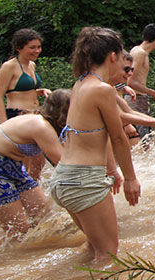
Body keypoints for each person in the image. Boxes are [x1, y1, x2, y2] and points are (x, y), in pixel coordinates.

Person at [50, 27, 141, 262]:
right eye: (122, 57)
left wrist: (112, 170)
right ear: (112, 56)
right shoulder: (103, 90)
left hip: (64, 178)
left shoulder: (80, 84)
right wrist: (130, 177)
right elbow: (118, 137)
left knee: (93, 247)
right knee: (108, 255)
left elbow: (94, 132)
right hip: (84, 180)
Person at [0, 89, 69, 244]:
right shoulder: (40, 125)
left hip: (11, 166)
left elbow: (39, 162)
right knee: (19, 234)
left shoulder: (38, 122)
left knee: (46, 218)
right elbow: (63, 163)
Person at [0, 29, 52, 180]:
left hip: (35, 115)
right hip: (17, 115)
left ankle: (33, 196)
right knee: (23, 163)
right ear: (19, 48)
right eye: (32, 47)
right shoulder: (9, 66)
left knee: (39, 162)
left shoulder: (31, 65)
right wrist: (4, 125)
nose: (37, 51)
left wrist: (40, 91)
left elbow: (25, 90)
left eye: (38, 47)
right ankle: (22, 194)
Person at [116, 52, 155, 147]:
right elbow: (120, 115)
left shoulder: (111, 88)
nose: (130, 73)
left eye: (132, 69)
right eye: (126, 69)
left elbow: (128, 111)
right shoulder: (102, 88)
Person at [126, 24, 155, 139]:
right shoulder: (140, 53)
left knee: (144, 139)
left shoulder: (136, 50)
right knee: (141, 140)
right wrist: (153, 92)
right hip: (136, 101)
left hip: (138, 100)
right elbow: (130, 81)